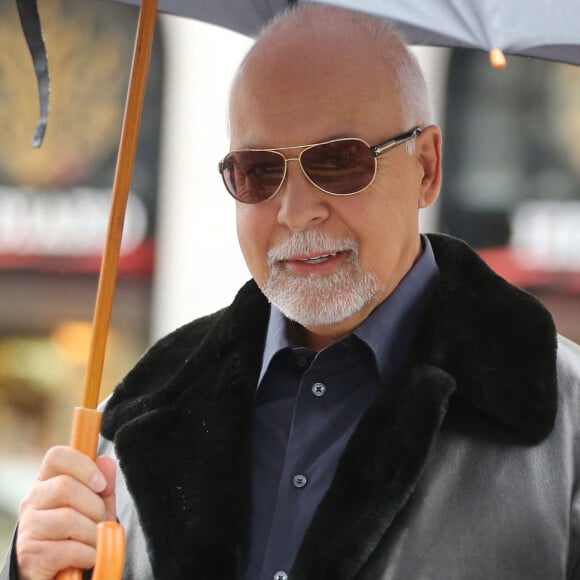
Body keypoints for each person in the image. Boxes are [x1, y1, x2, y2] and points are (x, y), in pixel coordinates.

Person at [3, 4, 580, 580]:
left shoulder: (564, 421)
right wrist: (35, 568)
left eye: (339, 162)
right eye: (258, 171)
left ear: (425, 167)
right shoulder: (132, 422)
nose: (297, 211)